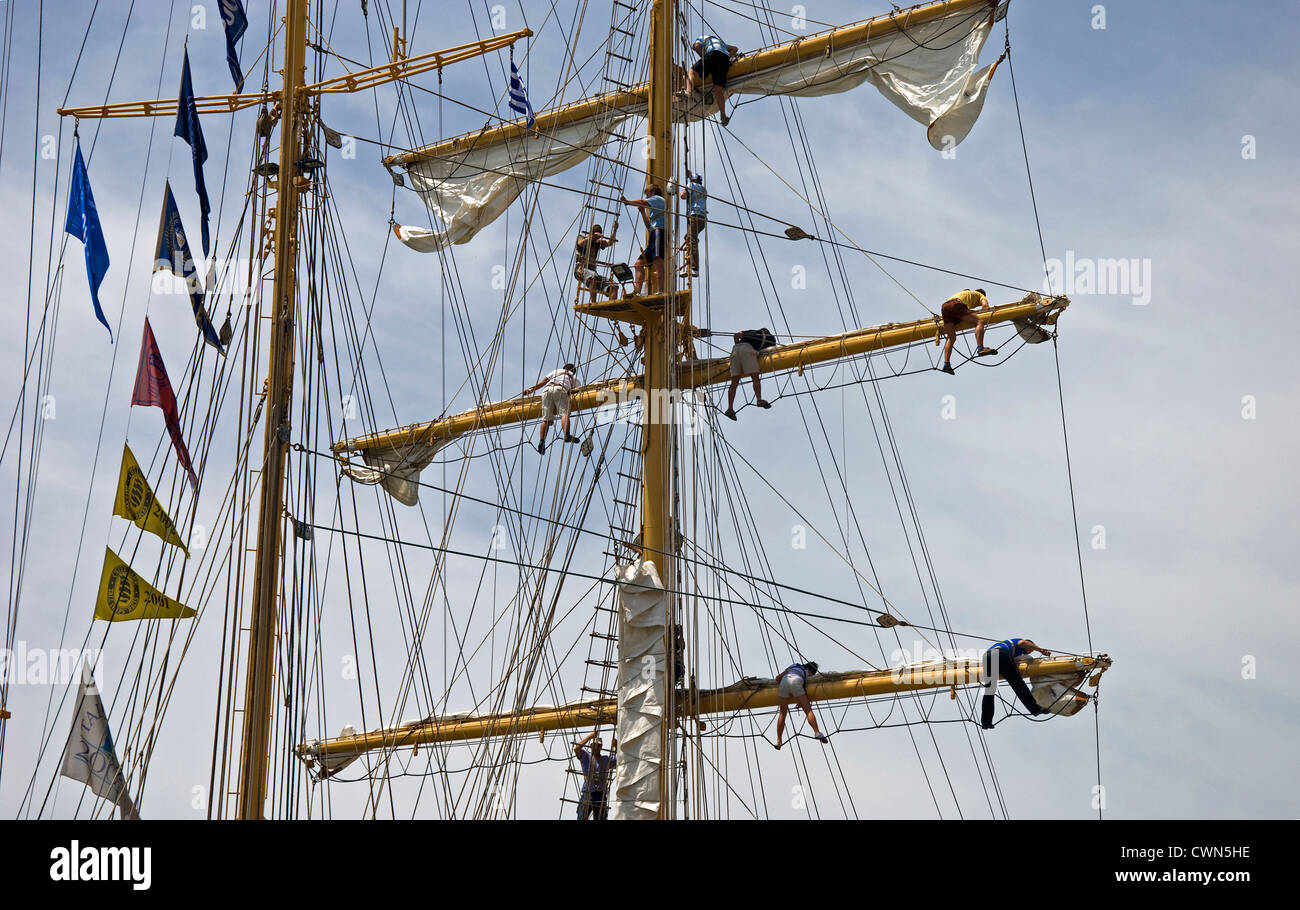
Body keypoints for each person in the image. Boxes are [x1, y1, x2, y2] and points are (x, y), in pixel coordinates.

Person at [980, 638, 1051, 729]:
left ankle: (986, 722)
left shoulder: (1014, 650)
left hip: (987, 657)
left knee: (989, 691)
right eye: (1031, 649)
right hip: (1000, 654)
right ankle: (1035, 709)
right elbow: (1024, 643)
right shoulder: (1020, 642)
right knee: (1017, 683)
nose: (1030, 652)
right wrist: (1040, 650)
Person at [621, 185, 667, 296]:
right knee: (638, 264)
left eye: (647, 193)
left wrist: (627, 202)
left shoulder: (658, 199)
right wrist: (642, 212)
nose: (646, 196)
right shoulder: (654, 209)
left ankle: (661, 290)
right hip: (653, 233)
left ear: (652, 191)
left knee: (657, 260)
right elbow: (648, 226)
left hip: (659, 232)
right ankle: (637, 291)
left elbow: (642, 201)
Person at [940, 288, 998, 374]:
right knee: (980, 322)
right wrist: (981, 313)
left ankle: (946, 364)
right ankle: (981, 348)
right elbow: (985, 306)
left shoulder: (965, 294)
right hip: (956, 305)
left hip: (945, 307)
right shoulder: (980, 295)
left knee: (951, 337)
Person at [524, 363, 579, 454]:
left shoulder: (557, 371)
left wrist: (531, 390)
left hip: (546, 390)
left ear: (564, 368)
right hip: (560, 389)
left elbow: (543, 382)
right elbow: (576, 391)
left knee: (546, 419)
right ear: (573, 371)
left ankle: (542, 441)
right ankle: (567, 435)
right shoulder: (574, 378)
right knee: (564, 413)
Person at [686, 34, 740, 126]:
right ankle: (723, 115)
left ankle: (688, 92)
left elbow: (696, 46)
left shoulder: (702, 38)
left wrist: (702, 56)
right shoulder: (722, 43)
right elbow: (735, 49)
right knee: (718, 89)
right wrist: (728, 56)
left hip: (712, 55)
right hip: (724, 60)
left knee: (691, 72)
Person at [774, 661, 828, 749]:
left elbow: (777, 678)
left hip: (784, 682)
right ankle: (817, 732)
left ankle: (779, 741)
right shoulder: (806, 673)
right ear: (811, 672)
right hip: (796, 681)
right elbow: (802, 686)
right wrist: (803, 701)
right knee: (808, 710)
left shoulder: (793, 666)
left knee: (782, 714)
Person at [724, 329, 774, 420]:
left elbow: (736, 335)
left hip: (735, 350)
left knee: (734, 383)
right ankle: (759, 400)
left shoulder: (750, 332)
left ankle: (730, 408)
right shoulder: (771, 338)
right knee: (755, 377)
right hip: (747, 349)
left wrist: (738, 346)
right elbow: (770, 350)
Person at [574, 730, 617, 820]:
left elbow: (620, 760)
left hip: (600, 794)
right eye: (594, 745)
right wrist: (590, 736)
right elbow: (576, 748)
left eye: (598, 745)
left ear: (601, 747)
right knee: (582, 817)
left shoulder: (606, 760)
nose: (596, 747)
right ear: (590, 746)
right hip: (588, 793)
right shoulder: (586, 756)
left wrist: (616, 746)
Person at [575, 221, 620, 304]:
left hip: (592, 272)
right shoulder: (582, 238)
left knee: (614, 286)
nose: (597, 239)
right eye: (596, 237)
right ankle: (594, 303)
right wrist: (591, 237)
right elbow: (580, 243)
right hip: (581, 270)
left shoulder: (597, 243)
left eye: (598, 238)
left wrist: (614, 230)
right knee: (593, 277)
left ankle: (611, 308)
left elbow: (609, 243)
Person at [678, 170, 707, 276]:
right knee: (689, 238)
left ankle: (694, 268)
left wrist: (684, 188)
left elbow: (683, 196)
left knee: (692, 241)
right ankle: (689, 264)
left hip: (694, 217)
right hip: (702, 219)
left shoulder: (691, 185)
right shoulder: (703, 189)